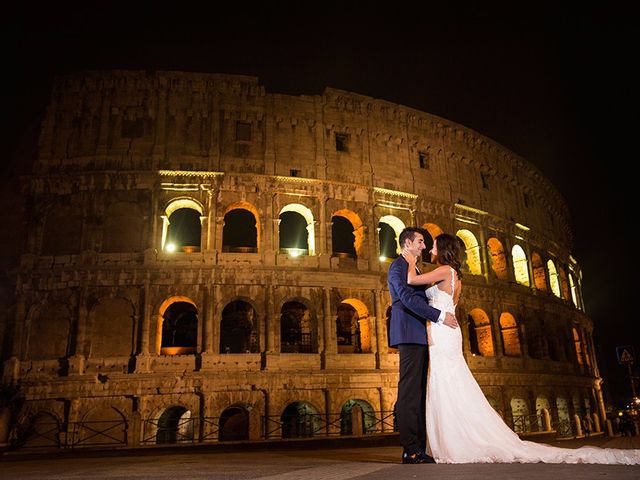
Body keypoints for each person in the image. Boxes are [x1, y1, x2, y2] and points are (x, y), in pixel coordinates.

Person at [403, 233, 640, 465]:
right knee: (452, 382)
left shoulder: (444, 270)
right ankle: (460, 437)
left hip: (444, 332)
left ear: (443, 250)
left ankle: (455, 441)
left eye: (433, 246)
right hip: (448, 331)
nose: (429, 250)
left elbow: (412, 281)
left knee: (445, 382)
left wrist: (411, 259)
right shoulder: (455, 276)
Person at [387, 227, 458, 464]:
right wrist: (439, 315)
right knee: (409, 393)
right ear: (407, 243)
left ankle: (418, 447)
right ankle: (410, 449)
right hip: (409, 332)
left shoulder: (413, 268)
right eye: (419, 241)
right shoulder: (398, 265)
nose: (424, 246)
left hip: (419, 333)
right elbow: (406, 298)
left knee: (417, 393)